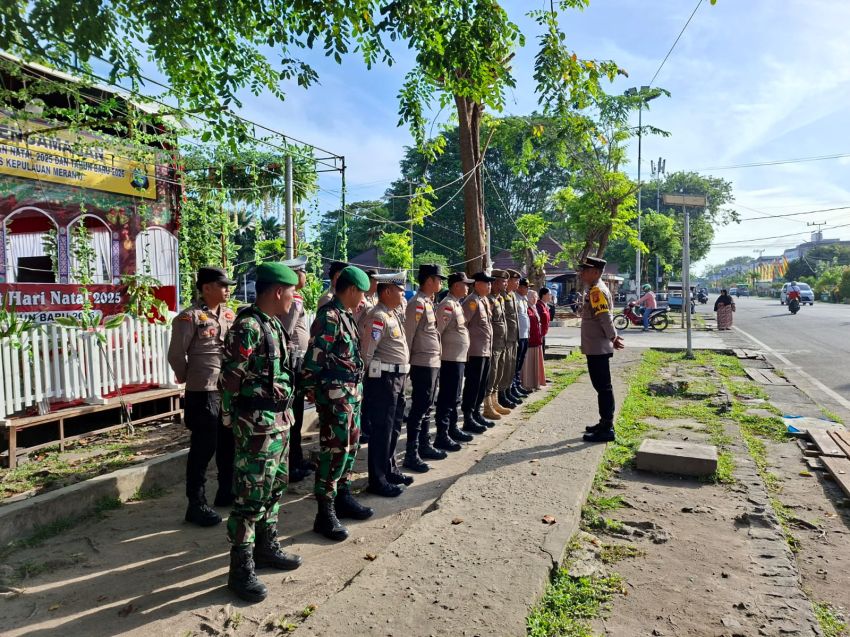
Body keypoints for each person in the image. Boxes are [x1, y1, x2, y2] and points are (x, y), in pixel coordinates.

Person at [220, 262, 303, 603]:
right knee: (249, 498)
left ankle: (266, 547)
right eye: (292, 292)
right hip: (256, 426)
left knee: (273, 489)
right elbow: (230, 378)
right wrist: (231, 419)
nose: (295, 298)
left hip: (279, 423)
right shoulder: (247, 327)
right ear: (277, 291)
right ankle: (240, 569)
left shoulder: (273, 324)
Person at [302, 266, 372, 542]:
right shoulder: (329, 316)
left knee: (349, 448)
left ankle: (342, 496)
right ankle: (325, 512)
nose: (364, 299)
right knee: (334, 451)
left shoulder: (346, 315)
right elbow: (314, 358)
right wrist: (310, 389)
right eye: (362, 293)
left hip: (350, 393)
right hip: (335, 395)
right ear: (351, 290)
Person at [168, 266, 237, 527]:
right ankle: (195, 504)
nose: (227, 289)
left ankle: (226, 490)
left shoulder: (229, 315)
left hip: (226, 389)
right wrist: (189, 376)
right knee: (203, 448)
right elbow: (176, 354)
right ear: (206, 288)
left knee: (228, 442)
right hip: (202, 392)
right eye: (222, 285)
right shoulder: (189, 318)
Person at [360, 272, 413, 497]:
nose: (403, 294)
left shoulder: (391, 314)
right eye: (400, 290)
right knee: (382, 429)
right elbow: (367, 353)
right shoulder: (378, 316)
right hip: (383, 381)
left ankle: (389, 469)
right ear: (388, 291)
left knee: (393, 428)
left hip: (397, 379)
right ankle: (378, 479)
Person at [403, 264, 449, 473]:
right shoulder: (417, 304)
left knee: (427, 406)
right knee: (420, 407)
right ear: (429, 280)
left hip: (432, 361)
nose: (440, 283)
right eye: (438, 279)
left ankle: (424, 445)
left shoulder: (429, 303)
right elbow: (409, 335)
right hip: (421, 362)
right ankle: (411, 454)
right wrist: (408, 364)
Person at [578, 257, 625, 444]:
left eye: (586, 270)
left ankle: (607, 427)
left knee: (603, 388)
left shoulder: (597, 290)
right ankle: (604, 422)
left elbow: (604, 317)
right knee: (602, 387)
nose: (582, 273)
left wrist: (613, 337)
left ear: (596, 272)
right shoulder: (595, 288)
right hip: (595, 345)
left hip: (598, 346)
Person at [277, 256, 314, 484]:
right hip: (293, 362)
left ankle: (297, 459)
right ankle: (292, 463)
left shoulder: (296, 298)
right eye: (302, 271)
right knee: (294, 415)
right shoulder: (295, 299)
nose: (305, 276)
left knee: (297, 415)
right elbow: (286, 330)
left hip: (296, 361)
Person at [434, 272, 475, 451]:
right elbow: (438, 332)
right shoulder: (447, 306)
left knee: (454, 397)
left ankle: (451, 428)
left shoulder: (456, 304)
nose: (467, 287)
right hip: (449, 359)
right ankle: (442, 435)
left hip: (457, 359)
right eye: (465, 284)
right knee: (447, 398)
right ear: (456, 285)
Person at [461, 271, 496, 433]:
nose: (489, 286)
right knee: (473, 386)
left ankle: (476, 413)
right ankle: (468, 417)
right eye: (486, 283)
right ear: (477, 284)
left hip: (485, 350)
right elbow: (463, 325)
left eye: (490, 283)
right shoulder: (471, 302)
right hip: (475, 351)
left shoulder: (484, 301)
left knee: (482, 385)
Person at [483, 269, 509, 421]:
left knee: (499, 374)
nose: (505, 284)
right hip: (493, 345)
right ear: (495, 282)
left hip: (502, 343)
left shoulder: (500, 298)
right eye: (503, 281)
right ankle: (487, 406)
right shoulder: (489, 300)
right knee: (491, 375)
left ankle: (495, 401)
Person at [499, 270, 522, 410]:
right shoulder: (501, 296)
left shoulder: (511, 295)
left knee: (511, 367)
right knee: (503, 368)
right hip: (505, 338)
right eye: (515, 280)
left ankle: (508, 391)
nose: (517, 283)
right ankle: (502, 394)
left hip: (513, 337)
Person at [522, 290, 544, 391]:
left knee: (535, 364)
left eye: (535, 297)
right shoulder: (526, 308)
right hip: (530, 341)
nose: (534, 299)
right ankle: (527, 384)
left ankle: (535, 383)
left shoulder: (534, 308)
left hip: (537, 340)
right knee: (528, 364)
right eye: (532, 297)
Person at [513, 278, 531, 396]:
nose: (528, 289)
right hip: (518, 335)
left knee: (520, 362)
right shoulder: (515, 298)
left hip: (524, 335)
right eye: (526, 287)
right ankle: (513, 386)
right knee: (516, 362)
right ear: (520, 287)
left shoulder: (523, 299)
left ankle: (518, 384)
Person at [537, 287, 552, 357]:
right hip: (539, 333)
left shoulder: (545, 305)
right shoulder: (539, 305)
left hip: (543, 333)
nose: (551, 296)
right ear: (544, 295)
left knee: (542, 352)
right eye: (549, 294)